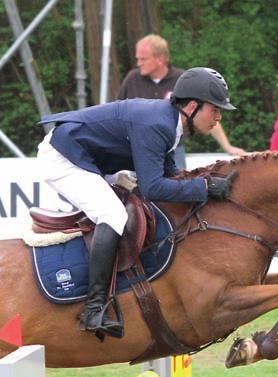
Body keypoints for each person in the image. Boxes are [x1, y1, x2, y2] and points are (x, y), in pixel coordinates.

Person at [38, 67, 238, 339]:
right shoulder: (158, 124)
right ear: (192, 106)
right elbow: (154, 187)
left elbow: (170, 178)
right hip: (64, 156)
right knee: (113, 214)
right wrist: (204, 187)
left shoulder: (170, 124)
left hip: (91, 157)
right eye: (215, 109)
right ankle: (94, 308)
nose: (219, 117)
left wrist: (205, 184)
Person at [118, 34, 246, 164]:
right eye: (138, 59)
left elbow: (206, 113)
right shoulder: (132, 79)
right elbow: (118, 113)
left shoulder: (184, 81)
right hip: (136, 148)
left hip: (173, 149)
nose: (138, 63)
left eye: (143, 59)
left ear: (160, 59)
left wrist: (227, 147)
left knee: (176, 180)